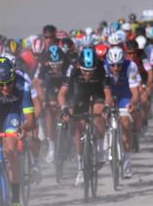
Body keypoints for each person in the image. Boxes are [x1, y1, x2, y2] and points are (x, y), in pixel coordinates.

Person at [58, 47, 112, 186]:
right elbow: (62, 94)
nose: (88, 74)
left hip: (97, 90)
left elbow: (108, 94)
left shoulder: (102, 67)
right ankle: (81, 168)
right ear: (78, 66)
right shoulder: (72, 68)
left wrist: (107, 106)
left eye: (91, 71)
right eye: (84, 71)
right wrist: (64, 109)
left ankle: (100, 148)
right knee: (78, 126)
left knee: (99, 111)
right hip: (79, 91)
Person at [0, 57, 35, 206]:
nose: (5, 88)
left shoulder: (22, 85)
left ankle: (15, 201)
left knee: (10, 149)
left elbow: (30, 120)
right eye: (0, 84)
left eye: (8, 83)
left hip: (12, 113)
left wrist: (24, 128)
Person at [104, 46, 139, 177]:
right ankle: (106, 137)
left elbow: (135, 92)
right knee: (102, 112)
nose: (116, 68)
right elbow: (104, 91)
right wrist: (107, 103)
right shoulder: (104, 67)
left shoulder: (131, 66)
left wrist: (133, 103)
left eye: (119, 65)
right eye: (113, 65)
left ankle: (127, 164)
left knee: (125, 123)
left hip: (124, 95)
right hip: (109, 94)